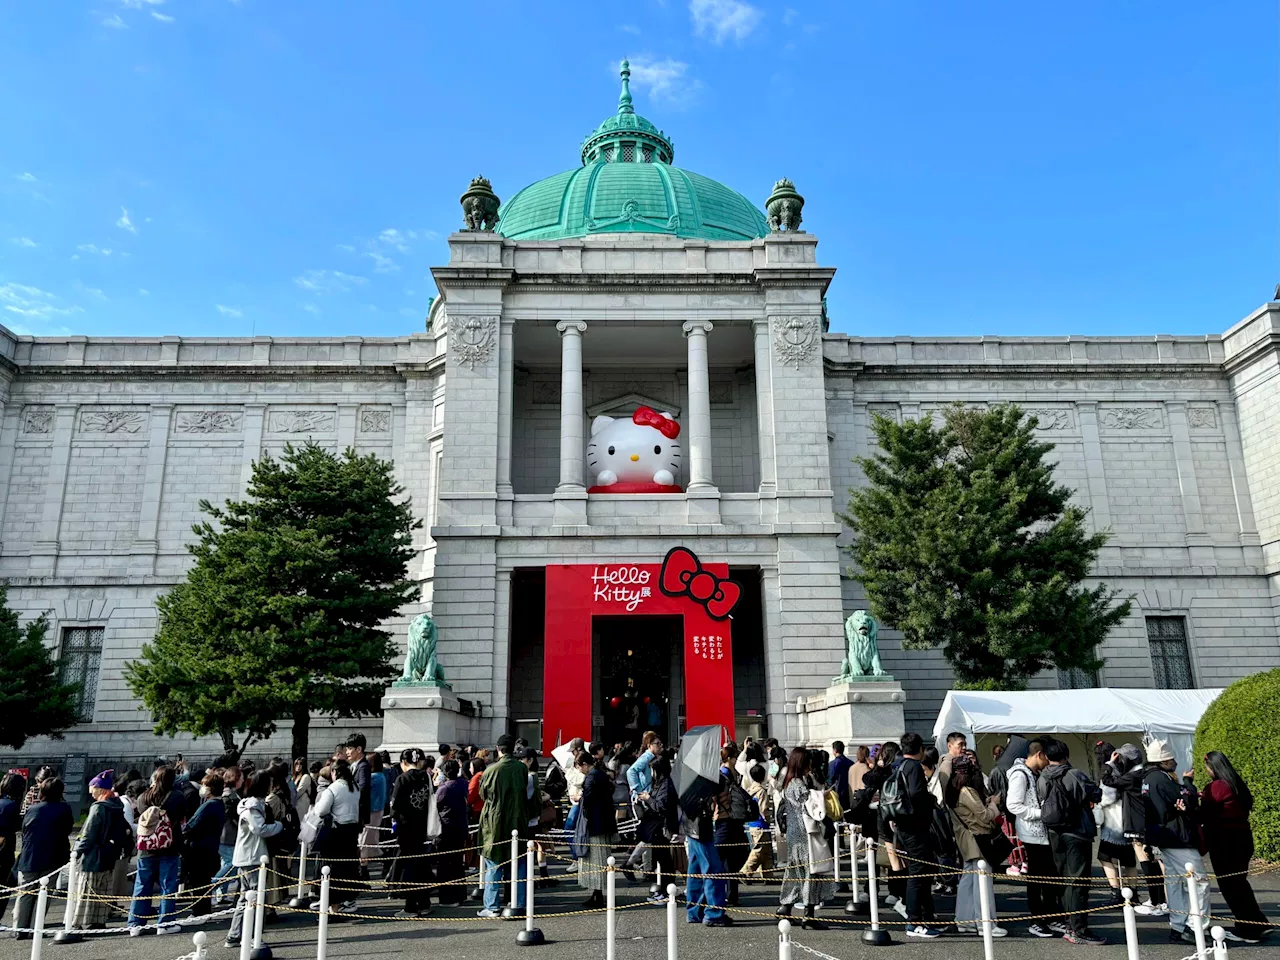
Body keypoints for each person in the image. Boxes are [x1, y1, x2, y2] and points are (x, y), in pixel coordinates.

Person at [1036, 738, 1105, 945]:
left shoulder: (1042, 777)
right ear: (1066, 755)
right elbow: (1097, 794)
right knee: (1079, 882)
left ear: (1046, 757)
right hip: (1077, 831)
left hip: (1055, 832)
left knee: (1065, 879)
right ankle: (1079, 929)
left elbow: (1041, 797)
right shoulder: (1074, 774)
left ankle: (1069, 923)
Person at [1143, 739, 1209, 946]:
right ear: (1163, 762)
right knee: (1198, 881)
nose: (1174, 761)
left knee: (1174, 882)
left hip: (1161, 835)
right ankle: (1195, 926)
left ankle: (1178, 925)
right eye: (1170, 759)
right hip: (1176, 835)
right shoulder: (1162, 780)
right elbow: (1187, 798)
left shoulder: (1147, 779)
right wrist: (1188, 783)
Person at [1199, 751, 1270, 943]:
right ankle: (1257, 922)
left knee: (1231, 886)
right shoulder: (1236, 783)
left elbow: (1203, 814)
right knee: (1240, 883)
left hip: (1224, 842)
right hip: (1242, 838)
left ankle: (1248, 929)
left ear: (1212, 767)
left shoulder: (1216, 787)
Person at [1006, 738, 1065, 937]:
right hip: (1032, 834)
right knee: (1036, 879)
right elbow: (1013, 805)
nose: (1049, 762)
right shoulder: (1020, 774)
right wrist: (1041, 813)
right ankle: (1037, 920)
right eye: (1047, 758)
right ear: (1039, 755)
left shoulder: (1033, 772)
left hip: (1043, 833)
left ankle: (1052, 917)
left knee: (1049, 878)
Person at [477, 734, 538, 918]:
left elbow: (483, 794)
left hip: (494, 822)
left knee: (494, 862)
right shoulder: (521, 769)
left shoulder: (490, 770)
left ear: (498, 749)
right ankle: (518, 903)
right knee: (519, 862)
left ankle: (492, 906)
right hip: (517, 819)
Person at [1101, 743, 1166, 916]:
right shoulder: (1146, 774)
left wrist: (1110, 764)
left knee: (1146, 863)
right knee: (1153, 862)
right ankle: (1160, 900)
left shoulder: (1133, 776)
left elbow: (1108, 781)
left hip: (1137, 824)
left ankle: (1156, 901)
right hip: (1149, 822)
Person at [945, 757, 1008, 937]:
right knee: (983, 883)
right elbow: (984, 816)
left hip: (965, 840)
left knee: (968, 881)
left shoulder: (952, 790)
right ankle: (985, 923)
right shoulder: (967, 791)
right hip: (977, 840)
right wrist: (994, 804)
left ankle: (964, 920)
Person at [776, 747, 834, 930]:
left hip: (794, 833)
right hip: (804, 833)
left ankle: (785, 907)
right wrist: (823, 794)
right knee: (810, 872)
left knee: (795, 871)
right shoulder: (798, 783)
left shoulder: (788, 782)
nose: (810, 764)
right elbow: (810, 803)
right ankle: (808, 915)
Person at [224, 771, 283, 948]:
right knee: (255, 898)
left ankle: (236, 934)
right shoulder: (253, 806)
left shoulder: (249, 804)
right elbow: (260, 828)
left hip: (248, 856)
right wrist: (279, 826)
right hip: (253, 856)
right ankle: (251, 936)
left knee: (245, 897)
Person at [128, 765, 187, 936]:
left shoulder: (142, 797)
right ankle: (165, 923)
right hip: (169, 846)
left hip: (146, 848)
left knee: (142, 884)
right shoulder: (177, 797)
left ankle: (135, 923)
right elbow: (182, 818)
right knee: (168, 885)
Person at [13, 777, 73, 940]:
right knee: (44, 893)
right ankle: (35, 927)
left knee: (25, 893)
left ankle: (19, 928)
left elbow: (24, 829)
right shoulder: (64, 809)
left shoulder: (32, 809)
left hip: (29, 855)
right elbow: (67, 829)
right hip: (53, 855)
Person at [70, 770, 129, 931]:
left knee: (87, 891)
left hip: (93, 856)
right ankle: (99, 921)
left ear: (100, 789)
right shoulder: (118, 806)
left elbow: (88, 834)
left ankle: (81, 923)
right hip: (110, 854)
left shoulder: (98, 808)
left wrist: (77, 851)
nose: (91, 793)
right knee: (103, 890)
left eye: (93, 789)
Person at [390, 747, 436, 917]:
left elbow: (394, 806)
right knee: (420, 864)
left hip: (406, 828)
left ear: (404, 762)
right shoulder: (426, 777)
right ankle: (424, 902)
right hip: (422, 827)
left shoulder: (402, 779)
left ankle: (410, 906)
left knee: (408, 867)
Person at [684, 764, 732, 927]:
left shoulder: (686, 770)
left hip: (691, 823)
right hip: (700, 824)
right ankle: (713, 913)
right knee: (713, 869)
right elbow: (720, 783)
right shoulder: (703, 772)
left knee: (696, 869)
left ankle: (694, 911)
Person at [313, 759, 362, 913]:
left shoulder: (333, 788)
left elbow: (321, 810)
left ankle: (332, 904)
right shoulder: (354, 787)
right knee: (348, 867)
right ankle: (348, 900)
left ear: (334, 772)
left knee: (332, 868)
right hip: (352, 830)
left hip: (336, 832)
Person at [1094, 741, 1136, 907]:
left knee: (1104, 856)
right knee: (1128, 859)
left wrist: (1098, 803)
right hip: (1126, 817)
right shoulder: (1125, 770)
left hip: (1113, 819)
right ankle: (1133, 893)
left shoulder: (1108, 770)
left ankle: (1116, 892)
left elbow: (1108, 796)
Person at [578, 749, 619, 910]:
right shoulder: (600, 774)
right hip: (604, 822)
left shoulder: (591, 777)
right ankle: (597, 894)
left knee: (596, 861)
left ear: (585, 764)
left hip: (595, 824)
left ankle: (599, 896)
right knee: (601, 860)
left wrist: (580, 799)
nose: (579, 770)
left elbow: (587, 801)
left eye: (579, 766)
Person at [182, 772, 225, 917]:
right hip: (211, 847)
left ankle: (198, 913)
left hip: (200, 848)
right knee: (204, 882)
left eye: (205, 785)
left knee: (198, 882)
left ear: (211, 788)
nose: (202, 788)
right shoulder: (219, 804)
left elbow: (191, 825)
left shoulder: (209, 805)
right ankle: (203, 911)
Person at [624, 731, 663, 880]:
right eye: (657, 744)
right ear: (649, 745)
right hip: (643, 801)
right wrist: (639, 790)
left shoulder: (651, 757)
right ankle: (635, 865)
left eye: (660, 744)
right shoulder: (647, 757)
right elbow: (631, 771)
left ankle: (645, 868)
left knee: (648, 835)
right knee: (647, 835)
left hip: (646, 800)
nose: (660, 746)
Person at [714, 746, 750, 906]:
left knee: (735, 857)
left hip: (733, 820)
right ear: (729, 759)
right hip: (725, 820)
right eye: (735, 758)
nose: (736, 761)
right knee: (722, 857)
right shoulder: (722, 776)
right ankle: (722, 894)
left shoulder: (731, 774)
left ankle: (731, 893)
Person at [435, 758, 470, 905]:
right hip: (461, 826)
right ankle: (460, 894)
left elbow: (436, 806)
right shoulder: (463, 784)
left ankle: (448, 897)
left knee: (445, 864)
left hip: (446, 828)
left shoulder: (444, 789)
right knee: (457, 862)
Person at [211, 765, 243, 905]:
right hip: (228, 834)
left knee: (225, 863)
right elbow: (231, 815)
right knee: (231, 864)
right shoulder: (228, 796)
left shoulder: (231, 794)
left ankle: (221, 894)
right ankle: (212, 886)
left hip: (227, 834)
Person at [828, 740, 853, 811]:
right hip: (849, 793)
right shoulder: (850, 763)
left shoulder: (832, 764)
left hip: (837, 792)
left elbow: (830, 779)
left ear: (835, 750)